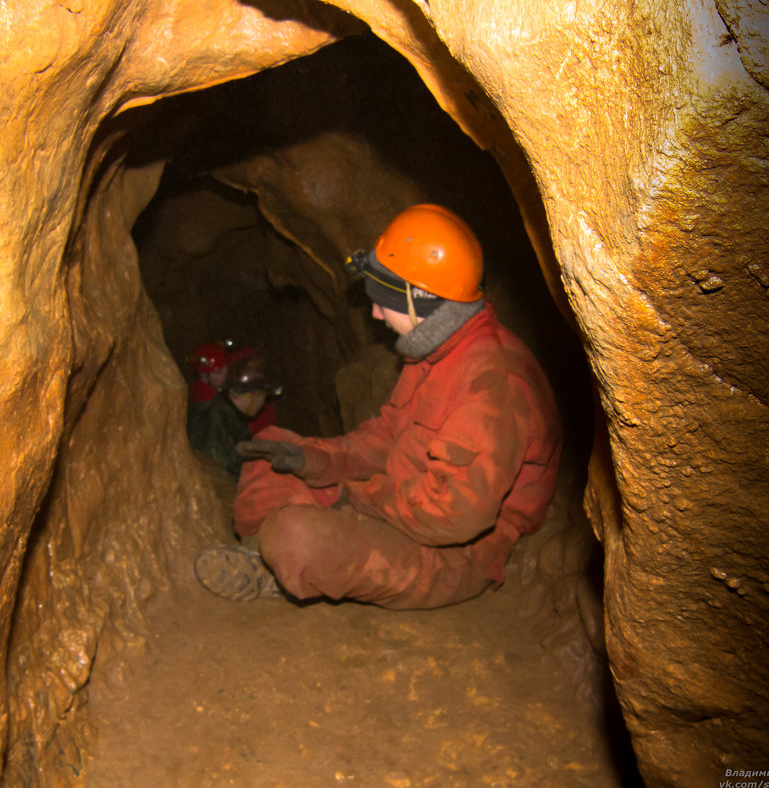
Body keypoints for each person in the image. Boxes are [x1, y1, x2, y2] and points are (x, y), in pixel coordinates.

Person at [193, 204, 562, 608]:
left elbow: (457, 515)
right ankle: (271, 557)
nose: (374, 312)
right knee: (270, 451)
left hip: (452, 551)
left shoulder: (494, 384)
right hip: (398, 502)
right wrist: (313, 460)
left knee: (296, 536)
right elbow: (386, 439)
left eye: (384, 299)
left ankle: (283, 559)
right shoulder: (433, 355)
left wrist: (356, 497)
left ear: (421, 298)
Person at [187, 353, 283, 478]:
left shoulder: (229, 418)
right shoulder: (216, 421)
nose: (263, 404)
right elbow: (216, 474)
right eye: (263, 396)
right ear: (253, 394)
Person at [187, 341, 231, 405]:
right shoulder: (205, 399)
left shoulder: (217, 388)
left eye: (228, 369)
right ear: (204, 377)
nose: (226, 375)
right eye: (219, 372)